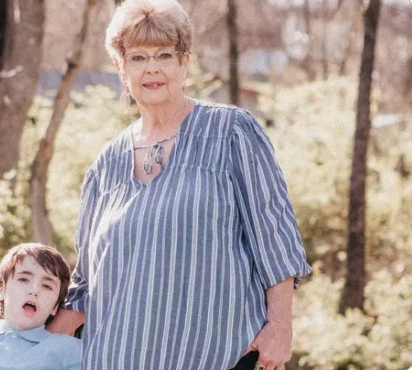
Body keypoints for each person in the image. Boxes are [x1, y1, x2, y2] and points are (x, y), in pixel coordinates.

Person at [46, 1, 312, 370]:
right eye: (138, 57)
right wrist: (24, 347)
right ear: (121, 69)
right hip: (118, 358)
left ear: (185, 62)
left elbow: (275, 236)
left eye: (164, 55)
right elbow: (87, 282)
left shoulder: (231, 132)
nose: (152, 68)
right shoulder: (105, 166)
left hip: (220, 356)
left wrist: (280, 327)